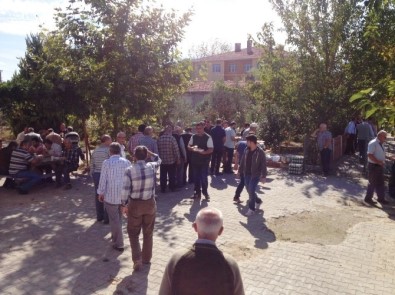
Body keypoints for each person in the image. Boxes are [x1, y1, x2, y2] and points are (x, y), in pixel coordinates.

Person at [159, 208, 244, 295]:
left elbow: (164, 292)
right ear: (221, 231)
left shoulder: (177, 258)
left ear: (195, 227)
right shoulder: (230, 264)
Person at [121, 146, 161, 271]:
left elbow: (125, 190)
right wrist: (150, 152)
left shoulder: (129, 170)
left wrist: (123, 204)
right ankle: (146, 258)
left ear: (134, 156)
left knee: (133, 233)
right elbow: (159, 159)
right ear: (146, 155)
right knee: (148, 232)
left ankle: (137, 260)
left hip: (135, 205)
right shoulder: (151, 166)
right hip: (150, 203)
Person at [97, 143, 131, 251]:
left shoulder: (106, 163)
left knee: (115, 220)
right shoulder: (127, 162)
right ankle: (115, 239)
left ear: (110, 151)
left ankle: (119, 243)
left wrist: (100, 193)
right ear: (119, 151)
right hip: (124, 197)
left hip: (111, 197)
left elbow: (103, 179)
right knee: (118, 220)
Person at [239, 134, 267, 216]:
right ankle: (258, 201)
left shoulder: (260, 152)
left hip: (255, 175)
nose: (246, 142)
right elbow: (242, 161)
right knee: (249, 190)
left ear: (252, 142)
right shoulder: (246, 150)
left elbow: (263, 164)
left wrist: (264, 176)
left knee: (251, 190)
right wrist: (239, 171)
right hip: (246, 174)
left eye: (247, 141)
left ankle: (251, 209)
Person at [188, 122, 214, 200]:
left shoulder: (208, 137)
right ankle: (197, 193)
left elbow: (211, 149)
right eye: (197, 128)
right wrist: (192, 148)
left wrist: (204, 152)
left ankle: (205, 193)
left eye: (200, 128)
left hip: (204, 161)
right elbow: (188, 146)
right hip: (195, 160)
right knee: (196, 178)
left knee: (203, 178)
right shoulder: (193, 136)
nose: (198, 130)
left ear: (203, 128)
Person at [364, 130, 390, 205]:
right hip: (373, 166)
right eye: (385, 137)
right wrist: (378, 161)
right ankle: (368, 198)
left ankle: (381, 198)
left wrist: (388, 157)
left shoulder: (381, 143)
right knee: (372, 182)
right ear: (380, 136)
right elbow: (369, 154)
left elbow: (380, 153)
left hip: (379, 166)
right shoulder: (373, 143)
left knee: (381, 183)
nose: (385, 138)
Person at [90, 135, 112, 223]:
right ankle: (107, 218)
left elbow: (92, 164)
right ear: (106, 140)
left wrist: (92, 174)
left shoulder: (95, 150)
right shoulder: (108, 151)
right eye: (110, 140)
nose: (111, 141)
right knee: (107, 194)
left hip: (96, 174)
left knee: (98, 194)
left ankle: (99, 216)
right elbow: (110, 163)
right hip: (105, 174)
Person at [157, 126, 180, 193]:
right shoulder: (172, 138)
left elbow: (157, 149)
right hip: (171, 160)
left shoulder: (159, 139)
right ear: (170, 131)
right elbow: (176, 149)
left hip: (162, 160)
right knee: (172, 175)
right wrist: (178, 158)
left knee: (163, 175)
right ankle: (172, 187)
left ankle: (163, 188)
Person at [234, 139, 247, 203]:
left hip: (241, 164)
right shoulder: (253, 146)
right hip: (245, 166)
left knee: (242, 182)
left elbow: (236, 153)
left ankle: (236, 196)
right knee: (244, 182)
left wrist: (236, 164)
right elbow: (237, 153)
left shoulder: (241, 143)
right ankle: (256, 199)